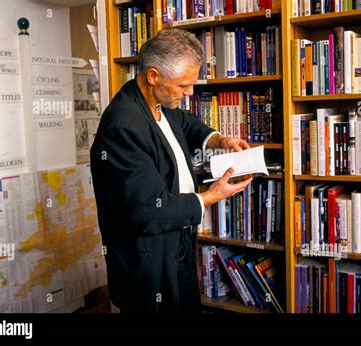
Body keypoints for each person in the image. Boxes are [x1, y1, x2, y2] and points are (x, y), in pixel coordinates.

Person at [90, 28, 253, 313]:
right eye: (183, 86)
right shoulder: (123, 128)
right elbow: (150, 211)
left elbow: (187, 124)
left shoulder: (160, 101)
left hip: (178, 245)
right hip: (148, 263)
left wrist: (220, 140)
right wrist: (212, 196)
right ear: (153, 76)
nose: (190, 92)